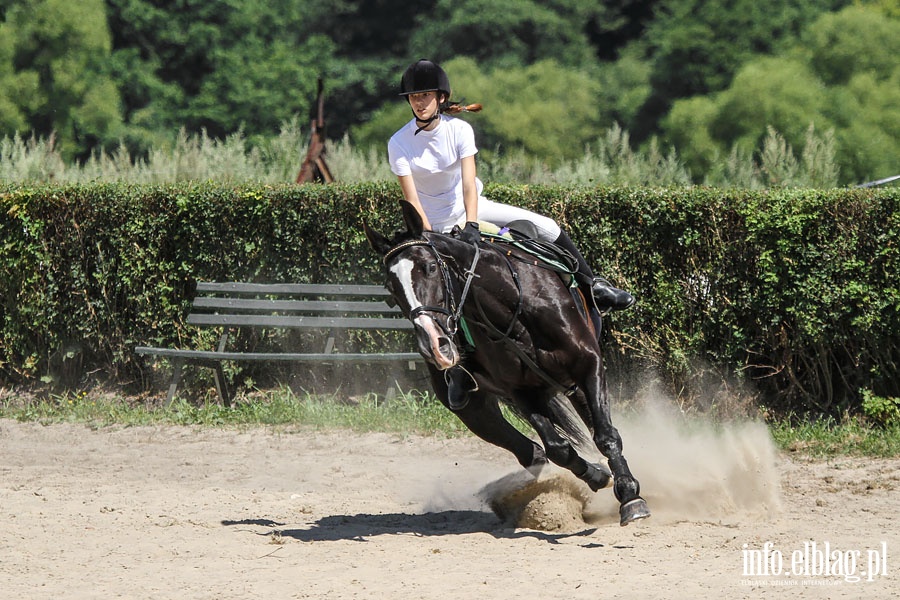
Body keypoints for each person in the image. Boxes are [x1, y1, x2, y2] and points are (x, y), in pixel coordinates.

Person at [388, 59, 633, 408]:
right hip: (435, 227)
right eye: (413, 96)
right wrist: (431, 241)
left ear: (441, 97)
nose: (419, 102)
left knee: (545, 226)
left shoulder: (460, 131)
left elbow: (469, 185)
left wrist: (472, 225)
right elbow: (412, 200)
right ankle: (458, 370)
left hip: (473, 210)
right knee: (453, 296)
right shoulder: (398, 142)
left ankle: (595, 287)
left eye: (425, 94)